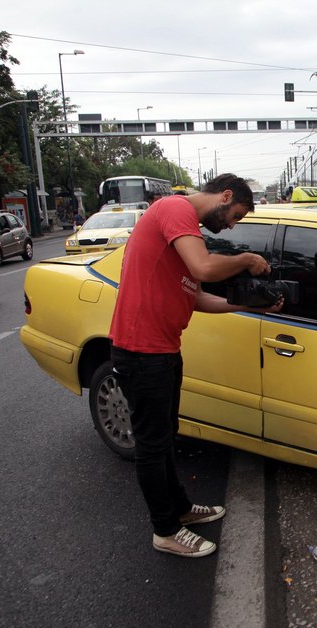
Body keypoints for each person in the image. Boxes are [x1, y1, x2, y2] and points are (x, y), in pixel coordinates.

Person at [108, 173, 282, 558]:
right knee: (152, 446)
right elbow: (204, 269)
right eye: (235, 215)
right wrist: (247, 259)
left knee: (166, 436)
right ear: (224, 195)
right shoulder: (174, 208)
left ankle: (181, 509)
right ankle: (165, 530)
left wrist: (248, 305)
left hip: (163, 350)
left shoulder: (186, 235)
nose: (232, 224)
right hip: (141, 351)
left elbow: (197, 296)